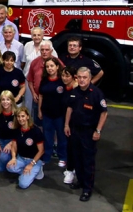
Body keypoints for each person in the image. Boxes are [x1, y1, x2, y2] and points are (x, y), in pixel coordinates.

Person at [64, 67, 108, 202]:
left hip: (89, 132)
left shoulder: (96, 94)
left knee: (88, 161)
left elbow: (104, 112)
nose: (82, 80)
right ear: (76, 78)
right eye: (79, 77)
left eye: (85, 77)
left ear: (89, 79)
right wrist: (66, 124)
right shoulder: (74, 92)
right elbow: (69, 108)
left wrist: (98, 130)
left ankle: (87, 189)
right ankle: (80, 182)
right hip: (75, 130)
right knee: (77, 159)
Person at [38, 57, 67, 167]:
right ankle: (46, 156)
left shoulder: (62, 80)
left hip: (60, 114)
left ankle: (63, 157)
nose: (50, 68)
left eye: (52, 66)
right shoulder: (44, 80)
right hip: (47, 114)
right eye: (47, 66)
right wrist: (40, 110)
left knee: (61, 137)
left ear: (57, 66)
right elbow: (41, 95)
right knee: (47, 136)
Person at [6, 107, 45, 189]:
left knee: (22, 185)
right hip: (21, 158)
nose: (21, 119)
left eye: (23, 116)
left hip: (34, 160)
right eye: (19, 116)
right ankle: (27, 172)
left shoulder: (36, 131)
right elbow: (14, 146)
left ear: (27, 117)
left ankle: (37, 170)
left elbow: (41, 151)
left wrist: (31, 164)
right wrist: (13, 158)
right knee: (9, 167)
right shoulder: (16, 130)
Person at [22, 27, 57, 115]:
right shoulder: (27, 45)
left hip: (44, 81)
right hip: (29, 79)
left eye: (39, 35)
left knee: (41, 105)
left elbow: (56, 62)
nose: (36, 37)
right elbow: (23, 62)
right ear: (31, 36)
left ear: (43, 36)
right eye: (34, 35)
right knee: (28, 103)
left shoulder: (48, 45)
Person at [27, 40, 63, 125]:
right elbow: (30, 80)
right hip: (38, 99)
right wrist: (33, 93)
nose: (44, 52)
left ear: (51, 50)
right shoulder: (34, 62)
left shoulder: (58, 62)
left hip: (54, 101)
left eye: (47, 50)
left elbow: (66, 78)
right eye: (42, 50)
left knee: (54, 125)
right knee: (38, 123)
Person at [0, 91, 19, 173]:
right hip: (2, 140)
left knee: (4, 158)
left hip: (15, 141)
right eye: (3, 100)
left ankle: (16, 158)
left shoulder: (17, 113)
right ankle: (9, 160)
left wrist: (11, 143)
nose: (5, 102)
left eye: (8, 99)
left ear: (12, 101)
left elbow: (20, 131)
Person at [61, 66, 78, 184]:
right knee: (70, 146)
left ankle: (73, 169)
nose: (64, 78)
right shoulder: (64, 87)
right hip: (67, 122)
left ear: (73, 77)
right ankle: (70, 168)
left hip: (77, 123)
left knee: (75, 147)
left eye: (67, 76)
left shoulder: (76, 89)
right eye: (63, 75)